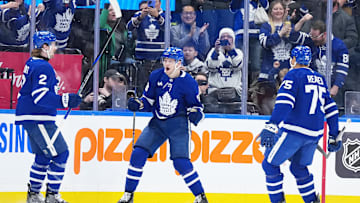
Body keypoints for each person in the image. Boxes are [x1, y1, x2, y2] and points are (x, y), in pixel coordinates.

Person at [117, 47, 208, 203]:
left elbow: (197, 106)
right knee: (138, 153)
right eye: (165, 60)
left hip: (177, 124)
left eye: (170, 61)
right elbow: (148, 101)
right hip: (157, 123)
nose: (166, 63)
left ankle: (200, 196)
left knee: (181, 162)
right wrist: (138, 104)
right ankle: (128, 195)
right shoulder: (156, 76)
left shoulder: (189, 83)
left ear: (179, 63)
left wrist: (195, 114)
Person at [259, 45, 342, 203]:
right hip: (314, 134)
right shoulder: (320, 79)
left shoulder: (293, 75)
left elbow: (285, 103)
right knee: (298, 168)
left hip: (294, 131)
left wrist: (272, 125)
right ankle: (312, 200)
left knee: (269, 165)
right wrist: (333, 134)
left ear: (294, 59)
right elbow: (331, 108)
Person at [15, 31, 82, 203]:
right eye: (52, 45)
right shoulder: (43, 67)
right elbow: (40, 96)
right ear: (44, 47)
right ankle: (52, 195)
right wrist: (65, 99)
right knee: (61, 153)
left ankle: (34, 195)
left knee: (43, 157)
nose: (55, 48)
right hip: (39, 118)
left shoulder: (32, 63)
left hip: (31, 117)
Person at [127, 0, 166, 96]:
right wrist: (140, 17)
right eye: (149, 1)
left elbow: (168, 29)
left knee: (158, 84)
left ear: (159, 3)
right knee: (141, 85)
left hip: (158, 58)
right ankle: (141, 104)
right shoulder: (139, 14)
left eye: (154, 1)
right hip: (142, 58)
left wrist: (157, 17)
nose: (151, 4)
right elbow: (129, 27)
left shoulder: (165, 15)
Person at [230, 0, 269, 84]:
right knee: (240, 62)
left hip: (256, 34)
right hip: (241, 34)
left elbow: (266, 6)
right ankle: (240, 85)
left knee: (255, 64)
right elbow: (232, 8)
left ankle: (254, 88)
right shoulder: (240, 2)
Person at [205, 27, 243, 102]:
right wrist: (216, 51)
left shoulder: (238, 52)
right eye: (223, 37)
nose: (226, 38)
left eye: (229, 37)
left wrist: (231, 51)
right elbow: (210, 66)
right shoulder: (213, 51)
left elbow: (238, 65)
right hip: (215, 91)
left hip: (234, 91)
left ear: (233, 39)